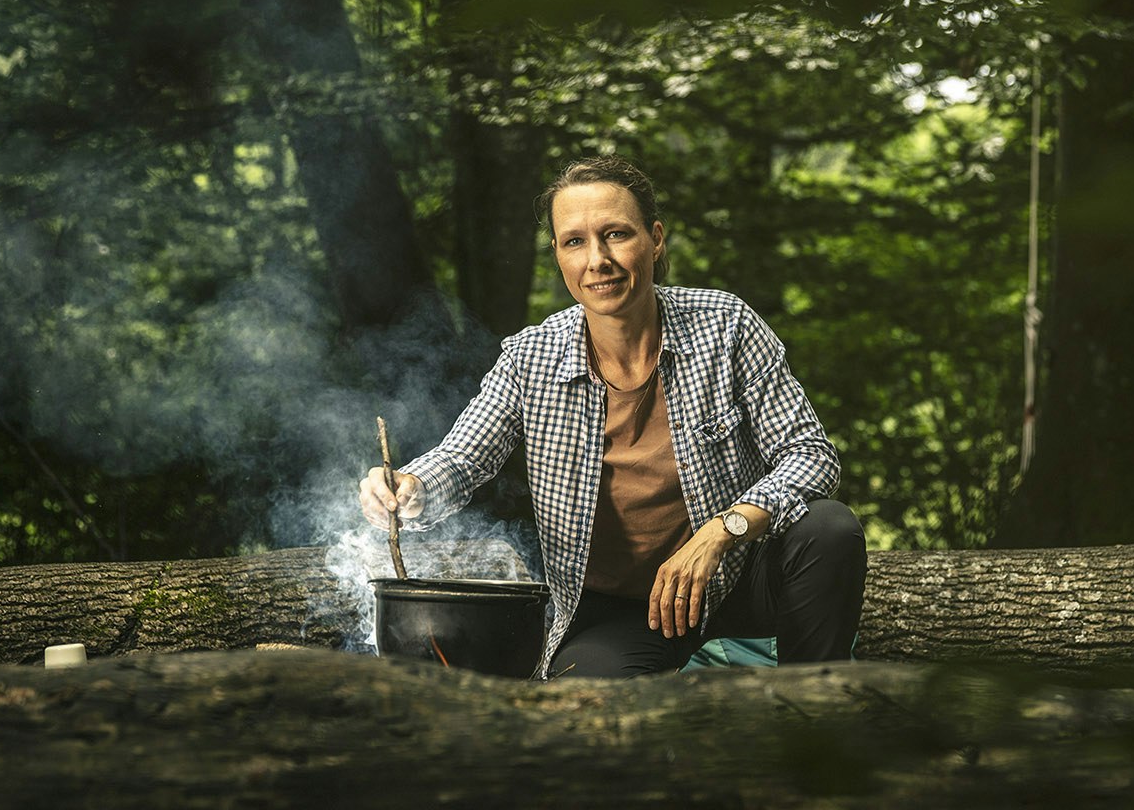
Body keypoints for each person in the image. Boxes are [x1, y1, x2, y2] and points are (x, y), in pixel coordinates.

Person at [358, 155, 866, 678]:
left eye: (617, 234)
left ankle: (814, 712)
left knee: (830, 529)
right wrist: (411, 485)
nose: (597, 259)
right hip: (627, 611)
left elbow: (810, 454)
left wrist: (723, 530)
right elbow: (462, 459)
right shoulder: (531, 357)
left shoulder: (727, 325)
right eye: (575, 241)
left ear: (655, 238)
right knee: (590, 713)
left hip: (735, 576)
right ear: (557, 254)